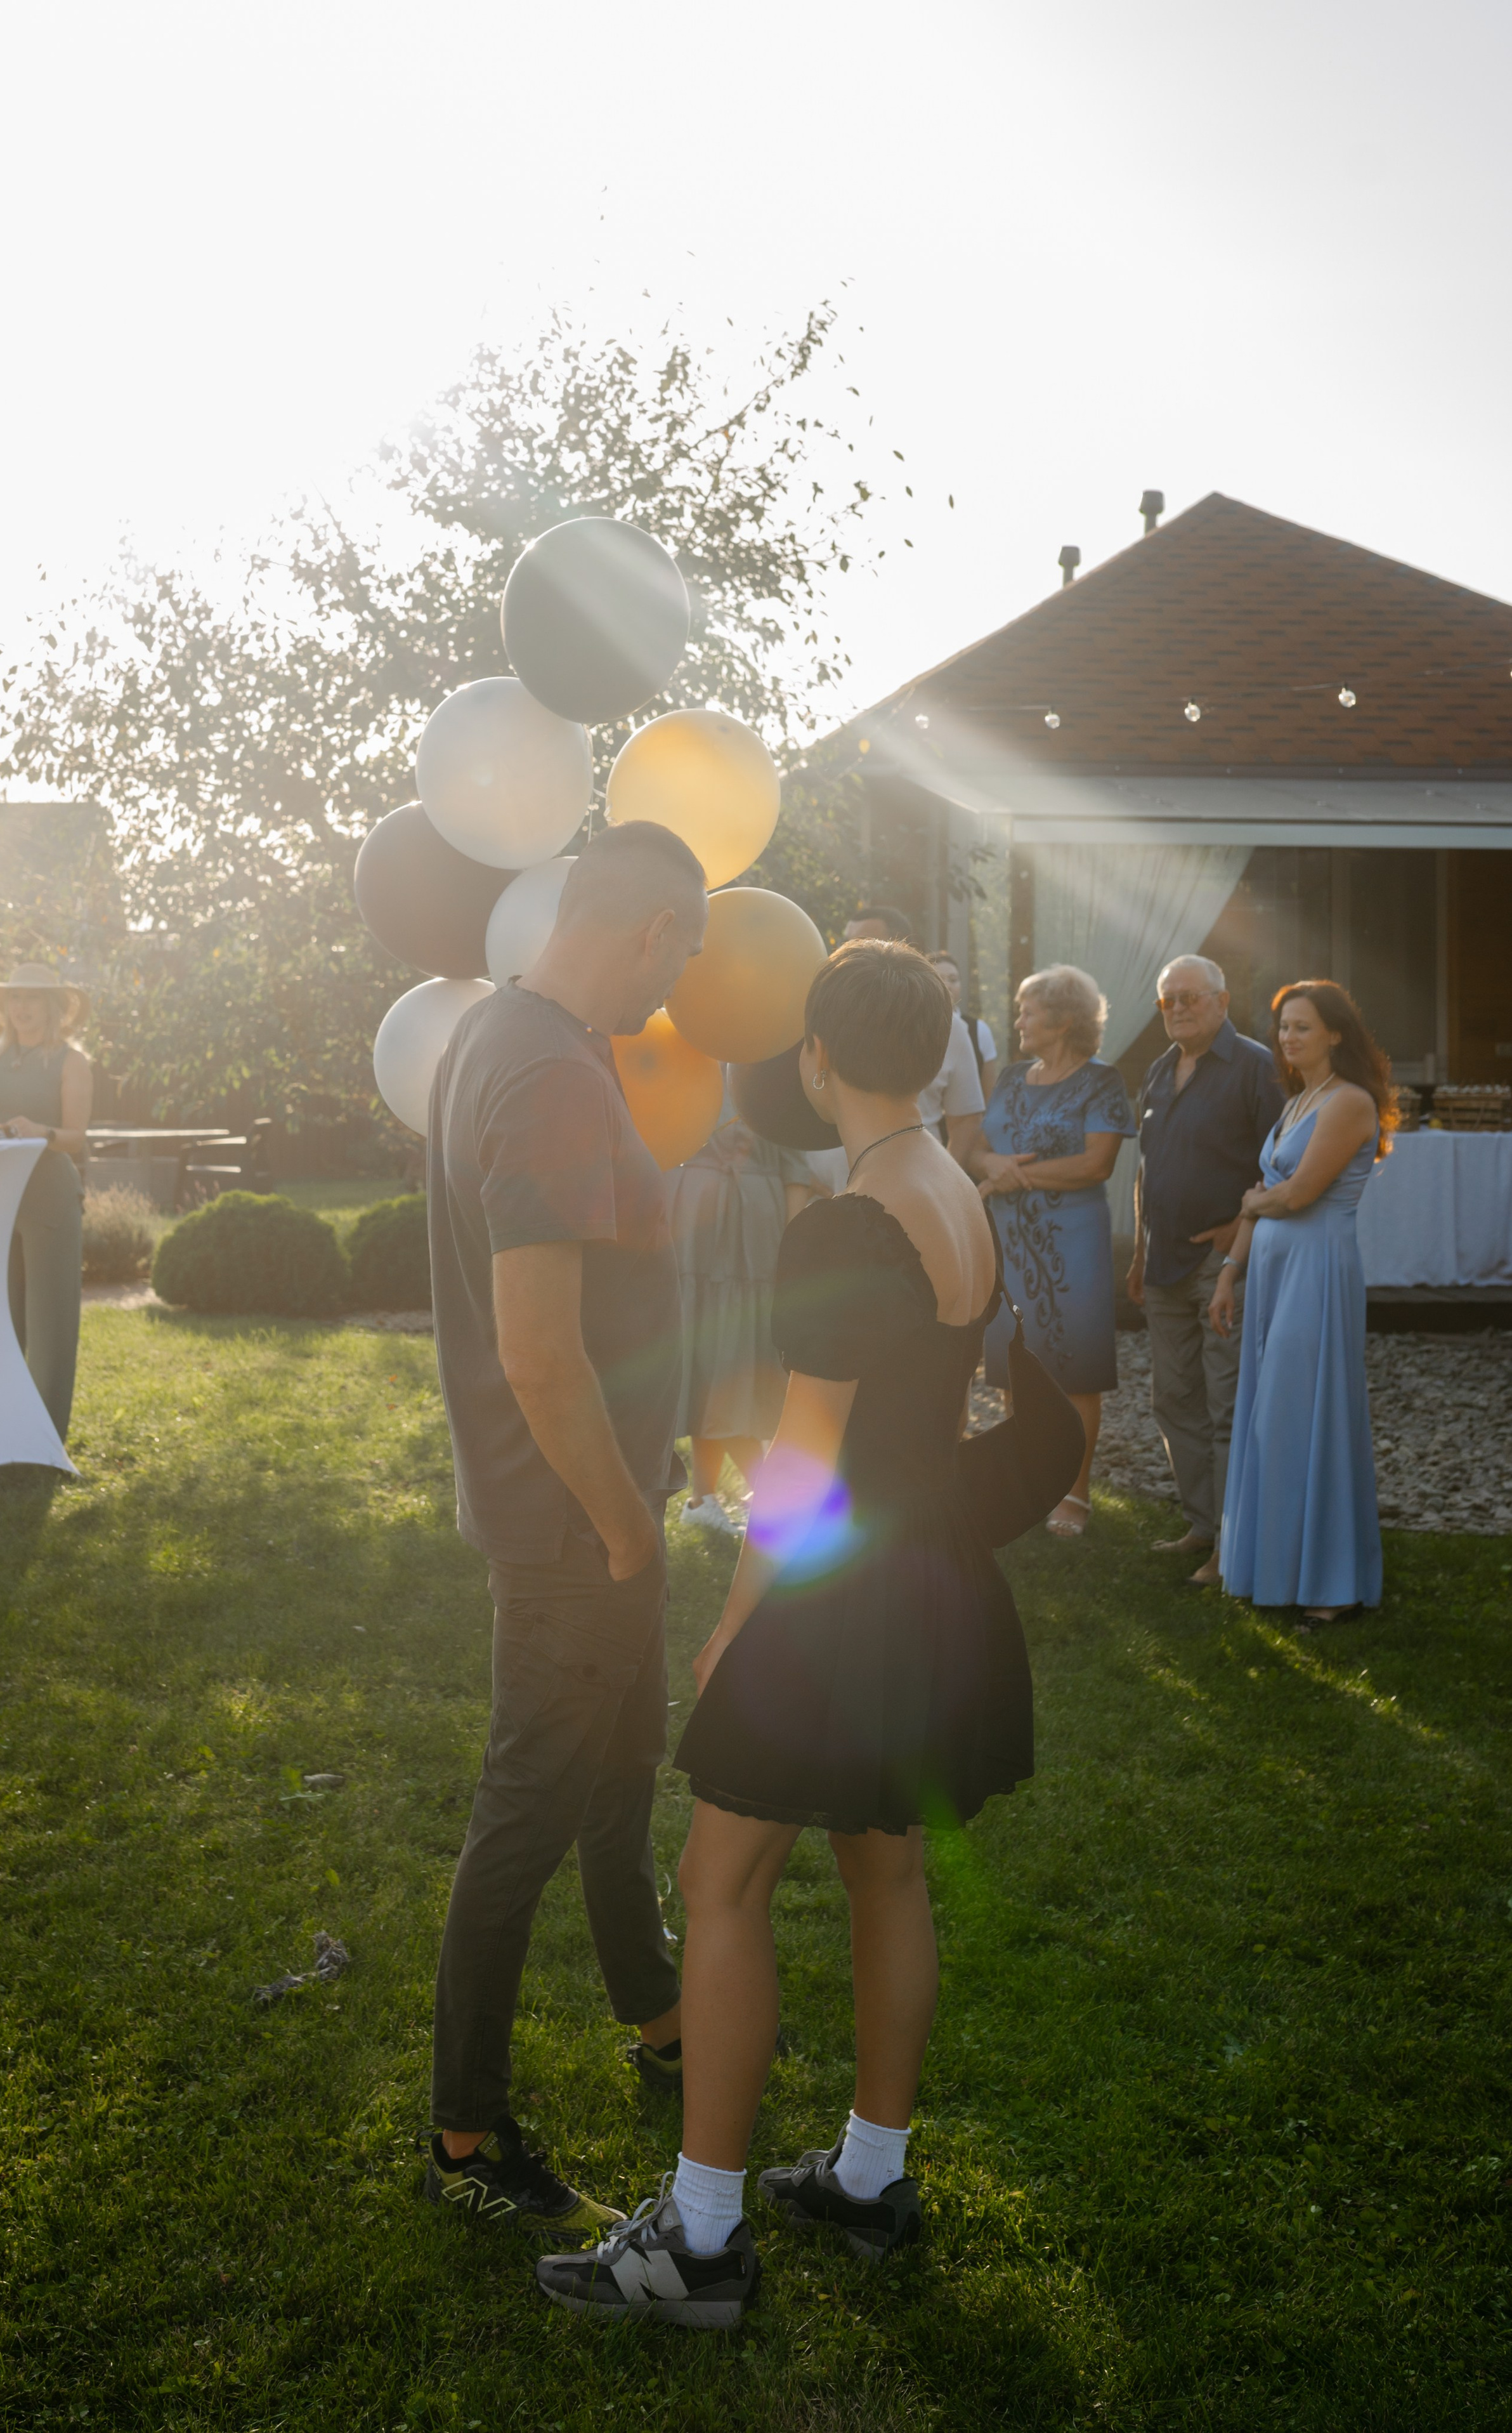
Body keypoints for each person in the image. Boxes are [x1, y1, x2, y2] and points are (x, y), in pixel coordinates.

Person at [535, 941, 1029, 2328]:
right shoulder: (956, 1194)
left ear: (815, 1060)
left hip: (843, 1594)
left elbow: (802, 1462)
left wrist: (738, 1621)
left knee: (720, 1876)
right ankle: (871, 2180)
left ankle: (698, 2243)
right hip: (929, 1576)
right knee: (885, 1869)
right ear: (936, 1054)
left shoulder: (847, 1219)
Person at [422, 819, 708, 2238]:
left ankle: (658, 2019)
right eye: (689, 954)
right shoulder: (538, 1067)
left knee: (614, 1782)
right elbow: (538, 1352)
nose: (684, 987)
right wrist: (623, 1530)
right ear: (652, 929)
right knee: (525, 1813)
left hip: (594, 1511)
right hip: (570, 1523)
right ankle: (466, 2138)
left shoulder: (524, 1033)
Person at [1211, 981, 1393, 1623]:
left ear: (1336, 1034)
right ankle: (1276, 1569)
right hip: (1271, 1272)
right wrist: (1230, 1270)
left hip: (1315, 1269)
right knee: (1270, 1415)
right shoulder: (1298, 1101)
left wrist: (1256, 1200)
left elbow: (1295, 1195)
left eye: (1303, 1027)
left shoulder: (1348, 1102)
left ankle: (1330, 1583)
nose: (1287, 1038)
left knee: (1304, 1412)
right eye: (1283, 1027)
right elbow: (1266, 1196)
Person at [1128, 956, 1284, 1586]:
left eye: (1191, 997)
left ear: (1222, 1001)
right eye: (1168, 1000)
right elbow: (1146, 1171)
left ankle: (1232, 1542)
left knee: (1226, 1405)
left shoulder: (1255, 1067)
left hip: (1224, 1265)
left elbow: (1280, 1162)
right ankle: (1202, 1522)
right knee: (1173, 1399)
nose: (1179, 1007)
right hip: (1162, 1263)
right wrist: (1138, 1253)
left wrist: (1235, 1230)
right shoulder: (1160, 1071)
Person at [965, 965, 1136, 1537]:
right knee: (1018, 1371)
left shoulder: (1102, 1081)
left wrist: (1013, 1177)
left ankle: (1074, 1493)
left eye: (1028, 1010)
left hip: (1073, 1242)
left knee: (1076, 1372)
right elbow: (980, 1149)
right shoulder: (1013, 1077)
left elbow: (1097, 1163)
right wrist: (996, 1167)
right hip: (1008, 1242)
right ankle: (1027, 1486)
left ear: (1064, 1018)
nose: (1019, 1020)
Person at [666, 1100, 817, 1540]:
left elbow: (795, 1168)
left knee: (729, 1362)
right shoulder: (686, 1048)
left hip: (754, 1233)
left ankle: (718, 1499)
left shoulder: (775, 1070)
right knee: (711, 1362)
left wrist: (791, 1250)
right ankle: (726, 1498)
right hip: (694, 1225)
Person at [0, 963, 94, 1442]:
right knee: (0, 1320)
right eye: (14, 998)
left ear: (53, 1006)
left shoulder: (70, 1062)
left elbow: (76, 1138)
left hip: (49, 1201)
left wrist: (41, 1132)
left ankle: (42, 1442)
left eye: (33, 998)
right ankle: (0, 1432)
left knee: (50, 1329)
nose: (21, 1008)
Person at [843, 911, 984, 1163]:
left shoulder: (948, 1024)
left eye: (864, 941)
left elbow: (966, 1118)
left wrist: (945, 1181)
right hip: (827, 1185)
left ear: (900, 947)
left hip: (914, 1173)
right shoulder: (831, 1015)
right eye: (847, 942)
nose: (849, 951)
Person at [926, 950, 1000, 1105]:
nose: (947, 985)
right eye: (939, 978)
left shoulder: (979, 1030)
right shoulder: (914, 1027)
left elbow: (990, 1094)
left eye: (953, 980)